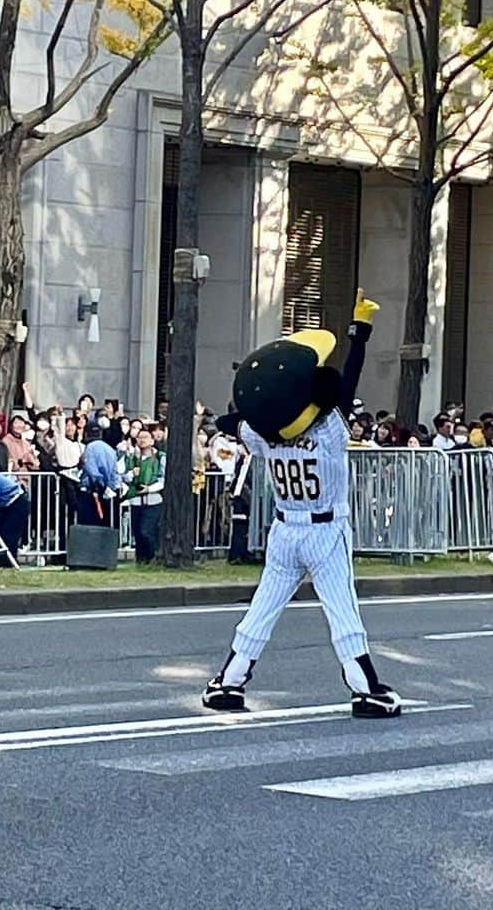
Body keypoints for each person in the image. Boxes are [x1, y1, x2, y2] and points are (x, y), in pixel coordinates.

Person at [201, 288, 401, 720]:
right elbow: (344, 388)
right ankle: (365, 687)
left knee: (264, 606)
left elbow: (231, 422)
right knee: (341, 609)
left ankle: (229, 680)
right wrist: (359, 333)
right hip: (325, 528)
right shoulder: (328, 432)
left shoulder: (260, 436)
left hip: (284, 527)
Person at [123, 428, 165, 563]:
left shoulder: (160, 457)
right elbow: (123, 476)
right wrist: (131, 475)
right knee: (137, 533)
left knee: (146, 531)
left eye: (145, 437)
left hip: (153, 501)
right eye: (140, 437)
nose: (142, 440)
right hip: (136, 501)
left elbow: (163, 479)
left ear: (152, 441)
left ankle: (153, 557)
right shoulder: (132, 458)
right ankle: (141, 560)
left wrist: (149, 489)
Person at [77, 423, 121, 526]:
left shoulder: (90, 448)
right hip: (110, 490)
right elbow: (114, 471)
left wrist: (99, 485)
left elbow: (92, 470)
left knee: (90, 524)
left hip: (93, 490)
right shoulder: (110, 449)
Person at [3, 415, 40, 488]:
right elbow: (5, 462)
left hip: (26, 478)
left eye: (21, 423)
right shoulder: (5, 441)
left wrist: (32, 460)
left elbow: (35, 464)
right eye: (16, 423)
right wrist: (22, 461)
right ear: (11, 426)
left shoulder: (26, 443)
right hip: (11, 478)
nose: (19, 425)